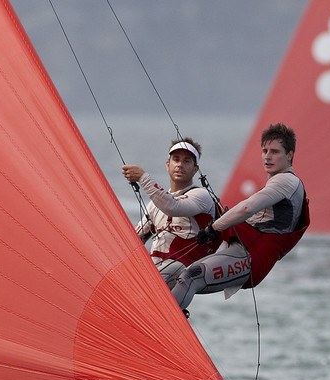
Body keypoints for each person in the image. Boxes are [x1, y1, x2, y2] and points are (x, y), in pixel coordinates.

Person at [170, 123, 309, 312]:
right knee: (175, 277)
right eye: (265, 150)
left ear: (290, 155)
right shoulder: (281, 181)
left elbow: (247, 207)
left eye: (275, 151)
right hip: (240, 251)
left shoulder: (286, 181)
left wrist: (213, 228)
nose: (267, 156)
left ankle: (157, 328)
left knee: (190, 276)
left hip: (249, 258)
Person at [122, 139, 220, 281]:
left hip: (184, 272)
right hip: (156, 272)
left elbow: (173, 207)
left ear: (195, 169)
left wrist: (143, 178)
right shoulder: (155, 205)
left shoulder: (201, 195)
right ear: (168, 165)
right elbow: (134, 240)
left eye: (187, 161)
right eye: (176, 160)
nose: (180, 165)